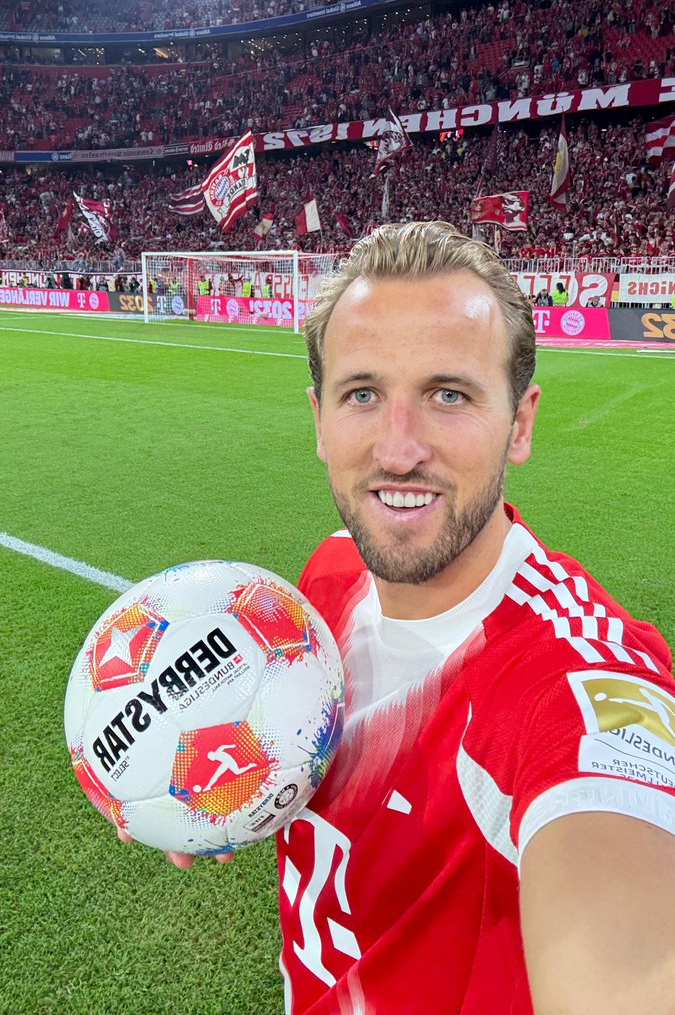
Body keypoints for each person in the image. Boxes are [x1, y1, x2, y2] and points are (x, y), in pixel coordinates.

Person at [120, 222, 675, 1014]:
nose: (398, 449)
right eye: (362, 394)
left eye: (448, 394)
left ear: (519, 423)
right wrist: (204, 792)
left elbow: (624, 941)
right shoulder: (323, 581)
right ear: (318, 419)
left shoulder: (570, 684)